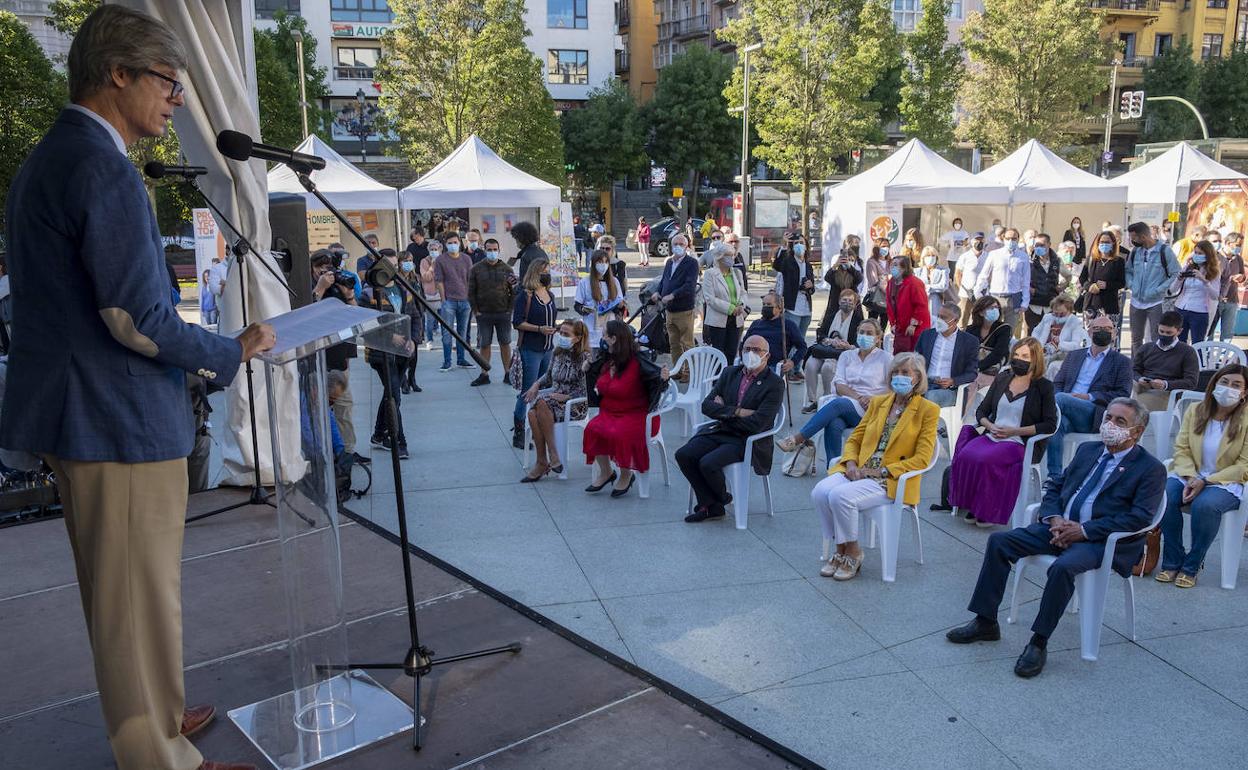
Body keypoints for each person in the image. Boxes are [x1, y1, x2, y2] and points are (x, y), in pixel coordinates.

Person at [1, 7, 277, 768]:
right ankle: (154, 755)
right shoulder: (98, 167)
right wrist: (229, 348)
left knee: (136, 594)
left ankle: (156, 710)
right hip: (110, 418)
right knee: (131, 601)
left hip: (89, 412)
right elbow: (135, 317)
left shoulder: (57, 156)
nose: (179, 97)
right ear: (116, 73)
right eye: (167, 78)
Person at [947, 398, 1164, 678]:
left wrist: (1083, 531)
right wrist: (1054, 519)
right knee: (1000, 542)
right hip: (1059, 528)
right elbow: (1056, 485)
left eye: (1120, 422)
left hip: (1100, 541)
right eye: (1108, 417)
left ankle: (1038, 642)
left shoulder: (1150, 468)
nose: (1110, 425)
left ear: (1137, 431)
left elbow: (1139, 518)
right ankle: (986, 621)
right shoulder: (1088, 450)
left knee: (1062, 568)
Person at [811, 353, 940, 580]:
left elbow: (922, 458)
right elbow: (854, 439)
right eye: (895, 373)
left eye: (905, 373)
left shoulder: (928, 410)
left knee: (840, 496)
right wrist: (850, 463)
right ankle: (841, 549)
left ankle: (853, 552)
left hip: (890, 479)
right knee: (820, 492)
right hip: (859, 469)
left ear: (918, 378)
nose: (898, 377)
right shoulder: (879, 402)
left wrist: (880, 471)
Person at [945, 338, 1057, 526]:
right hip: (993, 434)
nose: (1018, 359)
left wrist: (1014, 431)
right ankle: (972, 504)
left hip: (1020, 441)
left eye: (1025, 356)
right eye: (1016, 355)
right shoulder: (1003, 378)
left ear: (1036, 359)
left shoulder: (1044, 386)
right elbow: (982, 411)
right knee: (966, 455)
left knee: (987, 459)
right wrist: (990, 426)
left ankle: (988, 511)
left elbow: (1050, 424)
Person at [1158, 364, 1248, 587]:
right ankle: (1172, 559)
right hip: (1191, 474)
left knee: (1205, 506)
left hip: (1226, 480)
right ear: (1214, 384)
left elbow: (1244, 464)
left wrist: (1206, 481)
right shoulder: (1196, 410)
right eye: (1224, 382)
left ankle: (1192, 564)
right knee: (1165, 495)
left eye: (1236, 385)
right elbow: (1182, 449)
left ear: (1245, 392)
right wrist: (1191, 477)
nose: (1229, 388)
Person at [679, 335, 785, 522]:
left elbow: (758, 423)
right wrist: (738, 411)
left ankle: (713, 503)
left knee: (708, 463)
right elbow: (707, 406)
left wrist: (723, 411)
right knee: (684, 454)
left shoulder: (774, 384)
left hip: (748, 439)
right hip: (721, 430)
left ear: (767, 356)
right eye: (747, 349)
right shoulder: (730, 373)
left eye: (756, 350)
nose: (750, 353)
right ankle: (716, 503)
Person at [777, 319, 890, 462]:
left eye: (869, 333)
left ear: (878, 337)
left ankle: (799, 437)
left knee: (838, 404)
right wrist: (858, 398)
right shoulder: (847, 356)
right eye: (862, 332)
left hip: (872, 409)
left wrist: (872, 399)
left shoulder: (886, 359)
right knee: (834, 423)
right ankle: (833, 467)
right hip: (849, 404)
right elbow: (839, 385)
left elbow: (892, 390)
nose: (865, 336)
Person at [583, 320, 669, 498]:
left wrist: (663, 379)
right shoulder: (607, 360)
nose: (602, 337)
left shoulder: (638, 361)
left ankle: (626, 474)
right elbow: (595, 385)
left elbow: (656, 381)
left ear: (614, 339)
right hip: (610, 412)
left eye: (605, 334)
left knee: (619, 433)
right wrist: (588, 369)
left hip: (636, 414)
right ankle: (606, 472)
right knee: (592, 429)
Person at [1046, 314, 1133, 477]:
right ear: (1089, 331)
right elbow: (1057, 383)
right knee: (1057, 424)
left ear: (1114, 334)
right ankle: (1054, 476)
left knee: (1060, 401)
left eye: (1108, 329)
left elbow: (1123, 394)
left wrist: (1089, 397)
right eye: (1098, 328)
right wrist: (1063, 398)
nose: (1103, 332)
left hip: (1095, 413)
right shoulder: (1074, 356)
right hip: (1066, 409)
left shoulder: (1122, 362)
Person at [520, 319, 591, 482]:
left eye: (566, 334)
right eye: (561, 333)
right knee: (532, 412)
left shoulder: (585, 358)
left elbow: (587, 389)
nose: (562, 336)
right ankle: (546, 460)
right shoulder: (558, 352)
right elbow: (549, 375)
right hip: (554, 399)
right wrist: (536, 384)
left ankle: (548, 457)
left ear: (578, 338)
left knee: (540, 405)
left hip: (575, 404)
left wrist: (567, 397)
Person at [363, 249, 414, 459]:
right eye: (388, 265)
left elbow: (414, 316)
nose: (393, 269)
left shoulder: (404, 289)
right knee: (394, 396)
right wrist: (389, 336)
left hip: (403, 351)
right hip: (381, 353)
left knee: (389, 393)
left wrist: (414, 338)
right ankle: (399, 441)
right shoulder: (369, 292)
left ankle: (378, 433)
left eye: (395, 264)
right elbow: (367, 324)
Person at [510, 258, 558, 448]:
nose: (547, 274)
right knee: (528, 391)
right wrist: (539, 329)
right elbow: (517, 322)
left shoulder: (550, 294)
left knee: (544, 390)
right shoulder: (525, 296)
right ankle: (519, 432)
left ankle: (538, 426)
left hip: (548, 349)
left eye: (548, 270)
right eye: (543, 271)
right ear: (535, 273)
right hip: (531, 349)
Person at [1125, 221, 1181, 355]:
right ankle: (1136, 366)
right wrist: (1132, 285)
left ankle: (1154, 364)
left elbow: (1175, 273)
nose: (1132, 241)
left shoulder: (1164, 251)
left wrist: (1160, 289)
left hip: (1156, 301)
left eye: (1134, 238)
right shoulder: (1136, 251)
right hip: (1136, 301)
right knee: (1135, 338)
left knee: (1156, 337)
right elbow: (1128, 270)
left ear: (1143, 236)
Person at [803, 289, 863, 412]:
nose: (847, 303)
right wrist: (830, 340)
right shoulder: (830, 316)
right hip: (824, 350)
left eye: (850, 301)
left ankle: (826, 399)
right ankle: (812, 401)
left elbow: (859, 343)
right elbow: (821, 334)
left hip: (841, 355)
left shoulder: (858, 321)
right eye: (844, 300)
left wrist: (848, 346)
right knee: (810, 365)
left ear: (855, 303)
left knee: (827, 368)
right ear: (839, 301)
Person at [467, 236, 516, 385]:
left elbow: (513, 291)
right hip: (484, 314)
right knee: (485, 344)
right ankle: (484, 374)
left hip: (503, 313)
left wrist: (509, 310)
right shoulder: (476, 269)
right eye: (489, 250)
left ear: (499, 250)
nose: (492, 252)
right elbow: (471, 292)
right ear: (485, 250)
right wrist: (476, 311)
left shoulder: (507, 269)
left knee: (505, 343)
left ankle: (508, 373)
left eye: (495, 250)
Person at [1132, 310, 1199, 412]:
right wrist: (1139, 379)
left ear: (1179, 331)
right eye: (1161, 331)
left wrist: (1166, 384)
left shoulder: (1187, 352)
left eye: (1169, 333)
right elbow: (1133, 370)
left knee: (1136, 406)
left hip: (1167, 392)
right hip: (1142, 386)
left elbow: (1191, 382)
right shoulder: (1146, 348)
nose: (1164, 335)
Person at [914, 302, 978, 408]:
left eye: (943, 317)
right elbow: (915, 360)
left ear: (955, 321)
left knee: (930, 397)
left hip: (948, 389)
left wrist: (953, 381)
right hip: (924, 383)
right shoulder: (927, 335)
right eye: (938, 316)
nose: (939, 320)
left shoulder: (969, 341)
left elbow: (972, 372)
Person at [655, 233, 698, 381]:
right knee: (674, 343)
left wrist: (673, 295)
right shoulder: (669, 263)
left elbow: (689, 286)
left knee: (686, 342)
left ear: (687, 246)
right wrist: (658, 292)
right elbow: (664, 280)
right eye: (675, 244)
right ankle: (678, 369)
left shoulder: (691, 263)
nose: (678, 247)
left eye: (681, 244)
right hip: (669, 310)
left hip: (684, 309)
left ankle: (689, 372)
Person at [975, 227, 1030, 335]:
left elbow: (1026, 281)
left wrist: (1025, 302)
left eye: (1014, 239)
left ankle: (1005, 351)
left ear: (1018, 239)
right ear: (1003, 238)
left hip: (1014, 298)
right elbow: (984, 274)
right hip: (995, 297)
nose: (1011, 241)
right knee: (991, 329)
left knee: (1009, 331)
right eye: (1008, 238)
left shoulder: (1023, 257)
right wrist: (978, 291)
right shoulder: (994, 254)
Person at [435, 232, 474, 372]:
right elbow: (439, 281)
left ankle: (461, 359)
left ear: (460, 243)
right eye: (450, 243)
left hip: (465, 301)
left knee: (462, 333)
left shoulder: (467, 259)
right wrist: (443, 299)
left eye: (455, 242)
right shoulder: (440, 260)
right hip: (449, 302)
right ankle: (447, 361)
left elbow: (471, 280)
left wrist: (470, 298)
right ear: (445, 244)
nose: (453, 245)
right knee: (447, 332)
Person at [1169, 239, 1220, 344]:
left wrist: (1204, 280)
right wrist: (1179, 278)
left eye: (1200, 253)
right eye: (1195, 252)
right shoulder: (1188, 267)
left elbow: (1215, 296)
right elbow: (1172, 290)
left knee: (1198, 343)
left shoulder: (1213, 272)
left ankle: (1197, 360)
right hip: (1181, 308)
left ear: (1208, 255)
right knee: (1179, 342)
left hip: (1199, 311)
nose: (1196, 255)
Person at [702, 246, 748, 364]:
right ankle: (717, 381)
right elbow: (710, 298)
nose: (731, 258)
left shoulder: (737, 273)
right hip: (718, 320)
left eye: (733, 255)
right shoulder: (710, 274)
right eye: (728, 255)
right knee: (718, 354)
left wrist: (741, 305)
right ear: (720, 257)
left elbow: (743, 292)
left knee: (732, 352)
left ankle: (729, 379)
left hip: (736, 319)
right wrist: (731, 308)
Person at [743, 291, 807, 373]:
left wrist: (792, 362)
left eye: (769, 305)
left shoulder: (788, 325)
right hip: (750, 364)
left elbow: (802, 347)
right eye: (764, 304)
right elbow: (743, 344)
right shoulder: (756, 324)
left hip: (773, 367)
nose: (766, 307)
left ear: (779, 308)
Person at [575, 248, 625, 351]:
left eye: (606, 262)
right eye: (600, 262)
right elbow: (577, 305)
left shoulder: (614, 281)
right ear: (594, 263)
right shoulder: (584, 282)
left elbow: (620, 305)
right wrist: (584, 309)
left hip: (609, 332)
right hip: (591, 330)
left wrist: (620, 306)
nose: (603, 265)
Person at [1028, 297, 1086, 379]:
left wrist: (1059, 344)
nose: (1058, 316)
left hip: (1063, 357)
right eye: (1055, 313)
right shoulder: (1047, 317)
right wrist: (1037, 345)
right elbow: (1036, 332)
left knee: (1052, 367)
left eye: (1062, 314)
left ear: (1070, 311)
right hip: (1043, 353)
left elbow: (1076, 345)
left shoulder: (1076, 322)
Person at [773, 233, 815, 340]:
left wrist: (810, 286)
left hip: (806, 308)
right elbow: (777, 265)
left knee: (801, 339)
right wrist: (784, 245)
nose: (799, 245)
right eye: (796, 243)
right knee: (791, 338)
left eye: (802, 243)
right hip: (792, 308)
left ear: (806, 246)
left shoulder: (808, 265)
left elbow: (812, 289)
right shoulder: (788, 262)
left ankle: (799, 357)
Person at [1078, 229, 1126, 323]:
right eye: (1102, 242)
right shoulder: (1092, 259)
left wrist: (1107, 285)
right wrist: (1090, 286)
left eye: (1107, 242)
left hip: (1110, 305)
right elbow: (1082, 278)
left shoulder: (1119, 261)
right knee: (1089, 334)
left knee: (1108, 335)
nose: (1104, 244)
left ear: (1113, 243)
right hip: (1091, 304)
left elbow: (1122, 283)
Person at [968, 295, 1013, 390]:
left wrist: (978, 367)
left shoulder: (1004, 328)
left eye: (997, 308)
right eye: (991, 308)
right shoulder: (971, 329)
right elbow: (965, 351)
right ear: (980, 312)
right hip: (972, 368)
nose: (995, 310)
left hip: (992, 369)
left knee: (974, 382)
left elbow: (999, 353)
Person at [1209, 232, 1245, 341]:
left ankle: (1224, 356)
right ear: (1229, 243)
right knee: (1210, 331)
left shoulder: (1238, 259)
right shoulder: (1216, 257)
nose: (1239, 247)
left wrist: (1240, 277)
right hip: (1216, 299)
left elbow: (1243, 277)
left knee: (1227, 333)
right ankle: (1206, 355)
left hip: (1232, 300)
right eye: (1237, 245)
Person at [1024, 233, 1062, 335]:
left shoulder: (1056, 261)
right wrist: (1028, 288)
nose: (1039, 247)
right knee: (1032, 335)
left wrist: (1063, 285)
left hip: (1050, 304)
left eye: (1042, 245)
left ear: (1049, 244)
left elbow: (1068, 276)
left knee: (1048, 335)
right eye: (1037, 245)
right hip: (1033, 304)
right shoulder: (1029, 261)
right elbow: (1021, 278)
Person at [396, 252, 422, 393]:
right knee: (403, 353)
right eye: (405, 260)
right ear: (399, 262)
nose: (408, 263)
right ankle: (403, 381)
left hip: (415, 315)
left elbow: (419, 296)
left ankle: (413, 380)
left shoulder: (414, 278)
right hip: (401, 317)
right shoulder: (396, 279)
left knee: (414, 353)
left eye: (411, 260)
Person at [953, 232, 988, 325]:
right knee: (962, 320)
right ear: (972, 241)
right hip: (966, 293)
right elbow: (958, 273)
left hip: (982, 293)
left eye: (981, 240)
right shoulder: (964, 256)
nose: (979, 242)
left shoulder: (988, 256)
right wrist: (962, 287)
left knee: (979, 320)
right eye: (977, 240)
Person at [417, 240, 443, 351]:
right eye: (431, 249)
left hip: (442, 295)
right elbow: (426, 278)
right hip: (429, 295)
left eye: (436, 249)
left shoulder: (444, 260)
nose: (434, 251)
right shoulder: (424, 261)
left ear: (440, 250)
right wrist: (432, 266)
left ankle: (446, 340)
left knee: (445, 320)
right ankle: (430, 340)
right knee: (430, 320)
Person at [915, 246, 950, 320]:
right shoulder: (917, 271)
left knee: (934, 324)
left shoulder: (943, 270)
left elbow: (944, 286)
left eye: (933, 255)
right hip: (921, 302)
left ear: (936, 258)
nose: (930, 258)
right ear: (923, 258)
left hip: (936, 302)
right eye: (928, 255)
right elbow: (915, 286)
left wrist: (928, 287)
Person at [863, 238, 892, 329]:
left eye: (887, 246)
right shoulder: (871, 262)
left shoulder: (890, 262)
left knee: (883, 324)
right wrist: (886, 285)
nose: (885, 248)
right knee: (872, 323)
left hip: (888, 299)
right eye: (883, 246)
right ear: (877, 247)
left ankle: (881, 342)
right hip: (876, 297)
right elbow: (874, 281)